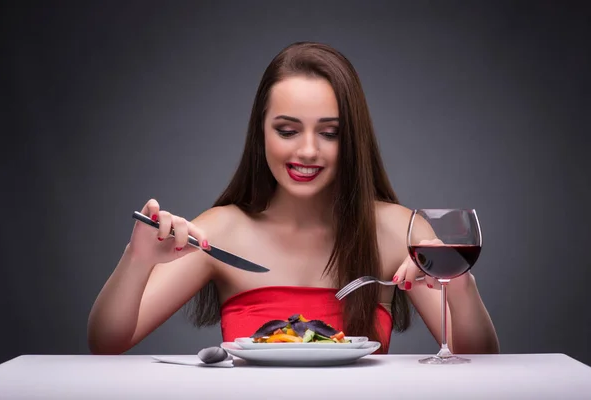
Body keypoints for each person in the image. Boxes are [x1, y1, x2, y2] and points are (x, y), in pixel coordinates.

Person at [87, 41, 500, 356]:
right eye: (287, 130)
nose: (307, 151)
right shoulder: (221, 230)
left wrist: (459, 284)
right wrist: (136, 258)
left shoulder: (396, 229)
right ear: (260, 134)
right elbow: (107, 343)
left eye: (329, 132)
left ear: (352, 139)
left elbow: (480, 360)